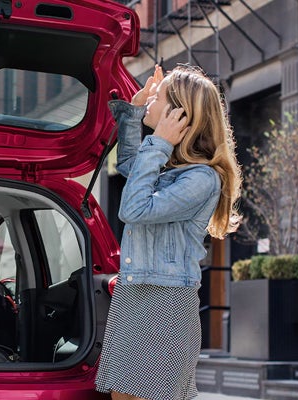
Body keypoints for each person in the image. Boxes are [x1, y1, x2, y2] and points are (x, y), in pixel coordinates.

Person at [95, 64, 242, 400]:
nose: (151, 99)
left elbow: (133, 209)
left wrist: (158, 143)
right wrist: (134, 112)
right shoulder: (169, 167)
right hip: (137, 296)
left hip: (166, 302)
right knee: (122, 396)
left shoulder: (202, 179)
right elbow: (131, 166)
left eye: (158, 97)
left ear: (180, 114)